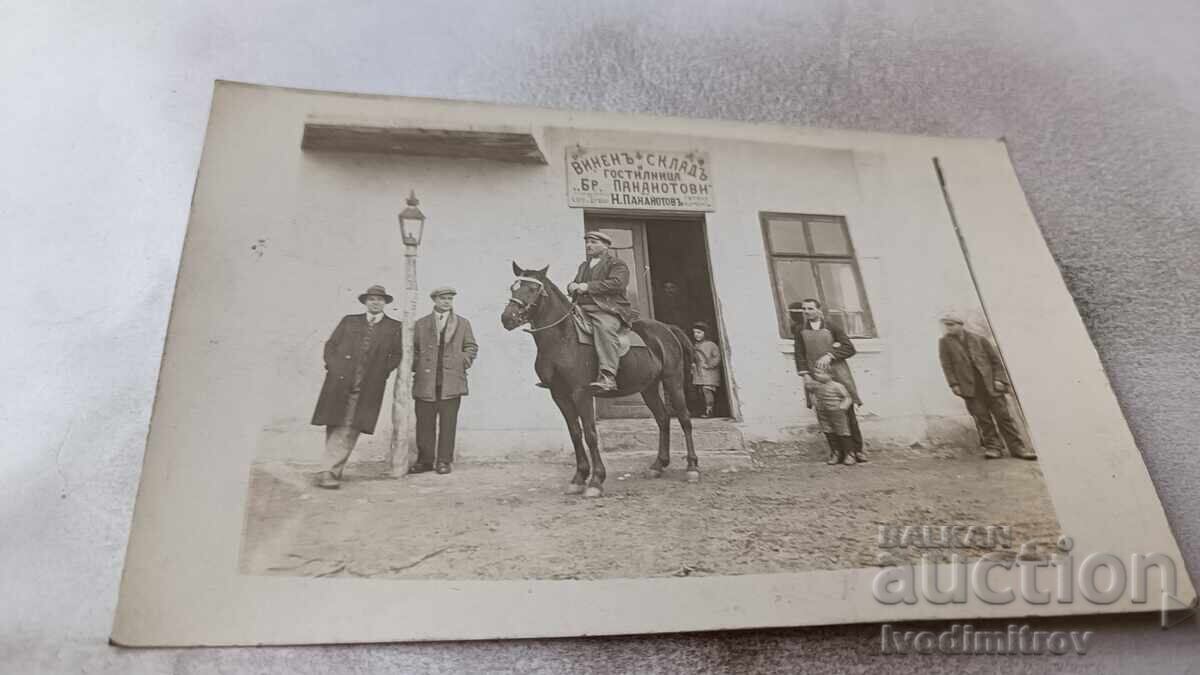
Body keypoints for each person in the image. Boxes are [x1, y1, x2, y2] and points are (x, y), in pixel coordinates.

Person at [311, 284, 404, 489]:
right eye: (371, 299)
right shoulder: (349, 321)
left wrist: (382, 372)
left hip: (369, 384)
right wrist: (334, 368)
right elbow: (331, 345)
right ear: (365, 302)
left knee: (351, 426)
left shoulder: (394, 327)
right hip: (340, 381)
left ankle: (329, 471)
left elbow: (397, 354)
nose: (375, 302)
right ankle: (331, 469)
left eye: (380, 300)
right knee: (334, 423)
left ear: (385, 303)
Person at [937, 312, 1037, 460]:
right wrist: (954, 384)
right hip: (970, 389)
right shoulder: (944, 343)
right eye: (946, 325)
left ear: (960, 325)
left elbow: (996, 361)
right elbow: (947, 365)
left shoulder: (979, 339)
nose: (948, 328)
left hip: (991, 385)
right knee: (982, 418)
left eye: (951, 325)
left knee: (1004, 417)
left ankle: (1018, 448)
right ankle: (994, 448)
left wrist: (999, 380)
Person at [409, 287, 478, 475]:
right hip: (426, 381)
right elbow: (411, 349)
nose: (446, 302)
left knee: (448, 423)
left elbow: (471, 347)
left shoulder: (463, 323)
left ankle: (444, 461)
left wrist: (461, 362)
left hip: (451, 383)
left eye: (449, 298)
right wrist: (417, 365)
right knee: (424, 423)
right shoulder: (421, 324)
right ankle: (425, 461)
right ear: (434, 300)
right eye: (442, 298)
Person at [790, 298, 867, 462]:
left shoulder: (832, 327)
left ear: (819, 310)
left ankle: (856, 450)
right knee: (825, 412)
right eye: (804, 309)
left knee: (845, 411)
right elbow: (799, 354)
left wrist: (830, 355)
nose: (807, 312)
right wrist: (805, 375)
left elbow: (849, 348)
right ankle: (836, 452)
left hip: (837, 373)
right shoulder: (799, 330)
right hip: (815, 374)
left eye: (810, 309)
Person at [567, 231, 639, 393]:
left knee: (604, 327)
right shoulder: (584, 266)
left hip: (607, 309)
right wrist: (571, 286)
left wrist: (587, 286)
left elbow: (617, 284)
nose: (588, 245)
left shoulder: (617, 264)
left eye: (593, 242)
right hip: (581, 308)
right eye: (587, 242)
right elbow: (577, 284)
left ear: (606, 246)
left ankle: (608, 376)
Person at [806, 366, 856, 465]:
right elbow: (810, 390)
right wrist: (814, 402)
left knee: (843, 431)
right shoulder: (816, 386)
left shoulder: (837, 386)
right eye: (816, 373)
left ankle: (849, 454)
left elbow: (847, 398)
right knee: (828, 431)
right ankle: (836, 453)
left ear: (831, 375)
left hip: (837, 412)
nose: (817, 375)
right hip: (822, 412)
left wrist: (842, 407)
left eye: (821, 373)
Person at [691, 321, 722, 417]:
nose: (696, 335)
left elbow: (717, 357)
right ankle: (703, 410)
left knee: (707, 391)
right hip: (699, 373)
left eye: (699, 332)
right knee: (701, 392)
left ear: (705, 333)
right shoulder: (695, 345)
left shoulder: (711, 345)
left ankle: (710, 411)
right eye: (695, 333)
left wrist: (709, 365)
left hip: (709, 373)